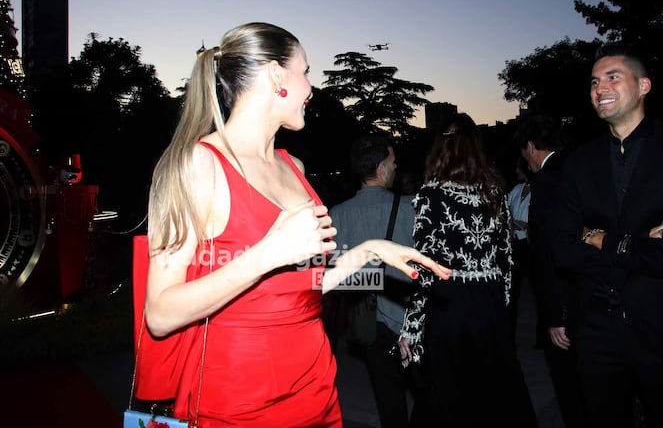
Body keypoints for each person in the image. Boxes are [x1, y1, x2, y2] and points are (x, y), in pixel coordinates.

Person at [143, 22, 451, 428]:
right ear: (275, 76)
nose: (310, 87)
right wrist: (267, 253)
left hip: (315, 385)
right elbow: (160, 314)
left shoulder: (295, 167)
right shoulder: (195, 165)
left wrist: (370, 250)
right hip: (238, 398)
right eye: (304, 71)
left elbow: (305, 284)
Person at [553, 42, 663, 427]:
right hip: (596, 331)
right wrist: (642, 242)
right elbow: (562, 249)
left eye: (612, 76)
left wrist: (598, 237)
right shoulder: (578, 163)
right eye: (593, 81)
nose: (599, 87)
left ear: (644, 86)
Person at [398, 112, 538, 428]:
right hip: (488, 302)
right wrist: (498, 309)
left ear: (441, 148)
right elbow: (506, 259)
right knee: (495, 393)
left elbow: (424, 265)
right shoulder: (494, 192)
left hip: (449, 302)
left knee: (448, 394)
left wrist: (412, 326)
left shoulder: (430, 194)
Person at [328, 134, 422, 428]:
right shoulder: (412, 207)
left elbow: (336, 277)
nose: (395, 168)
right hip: (410, 322)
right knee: (429, 393)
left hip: (367, 322)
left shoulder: (337, 214)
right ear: (381, 168)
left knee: (387, 399)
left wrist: (369, 284)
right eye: (392, 162)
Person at [515, 114, 587, 428]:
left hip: (566, 298)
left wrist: (555, 316)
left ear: (531, 147)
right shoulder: (578, 168)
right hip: (589, 291)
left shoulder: (546, 182)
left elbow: (549, 252)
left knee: (569, 382)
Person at [506, 156, 537, 346]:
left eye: (519, 168)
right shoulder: (517, 189)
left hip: (530, 246)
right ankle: (509, 333)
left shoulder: (538, 190)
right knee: (513, 290)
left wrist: (520, 223)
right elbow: (506, 209)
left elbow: (532, 221)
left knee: (538, 289)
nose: (516, 172)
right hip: (516, 245)